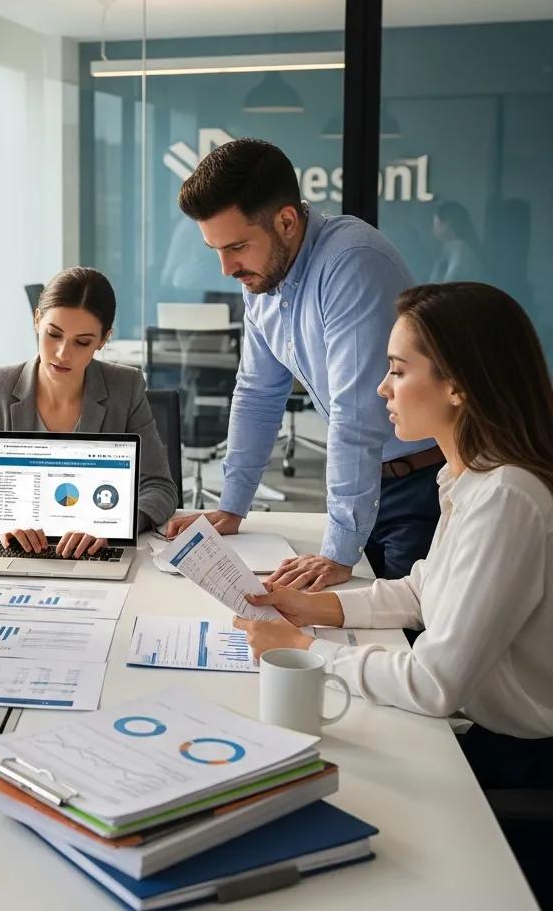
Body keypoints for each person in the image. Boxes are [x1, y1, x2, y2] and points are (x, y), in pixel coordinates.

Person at [234, 282, 553, 792]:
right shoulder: (471, 478)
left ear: (458, 386)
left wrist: (303, 648)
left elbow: (433, 685)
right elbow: (422, 589)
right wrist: (316, 609)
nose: (382, 387)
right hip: (482, 735)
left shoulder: (507, 497)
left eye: (399, 371)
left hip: (514, 763)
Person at [167, 139, 444, 588]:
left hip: (418, 489)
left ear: (287, 221)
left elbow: (356, 416)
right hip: (366, 483)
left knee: (403, 642)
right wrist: (232, 507)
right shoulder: (262, 274)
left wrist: (336, 551)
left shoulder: (350, 263)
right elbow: (258, 394)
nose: (226, 268)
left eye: (236, 246)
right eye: (215, 250)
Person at [0, 267, 177, 556]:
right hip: (16, 550)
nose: (63, 353)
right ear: (37, 320)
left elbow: (160, 488)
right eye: (53, 334)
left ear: (103, 340)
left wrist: (114, 526)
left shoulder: (125, 386)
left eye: (82, 342)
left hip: (93, 552)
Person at [429, 200, 484, 283]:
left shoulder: (459, 248)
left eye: (435, 222)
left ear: (447, 224)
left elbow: (451, 282)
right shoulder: (452, 249)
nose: (432, 227)